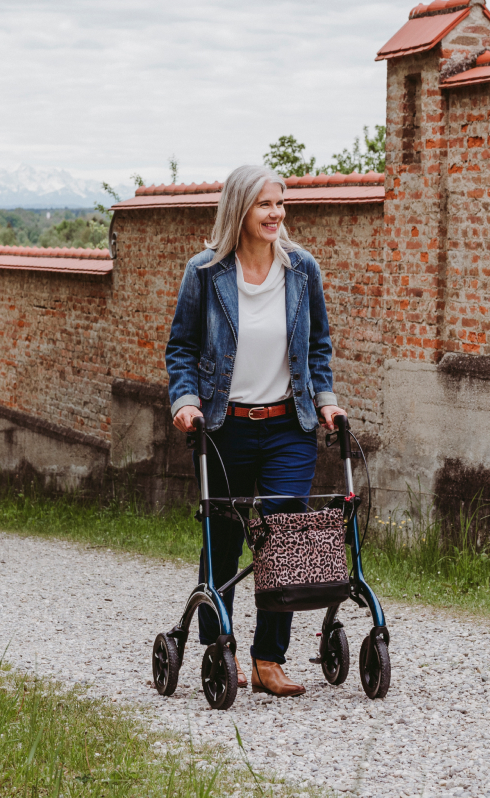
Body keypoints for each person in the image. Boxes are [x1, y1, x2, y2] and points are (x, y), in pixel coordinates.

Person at [165, 164, 345, 698]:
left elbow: (318, 348)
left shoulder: (302, 270)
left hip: (290, 425)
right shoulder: (205, 272)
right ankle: (222, 648)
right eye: (265, 204)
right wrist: (185, 400)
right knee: (221, 541)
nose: (276, 214)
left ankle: (270, 658)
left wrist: (328, 403)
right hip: (224, 427)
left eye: (281, 203)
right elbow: (181, 348)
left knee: (283, 539)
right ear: (240, 209)